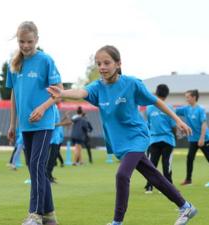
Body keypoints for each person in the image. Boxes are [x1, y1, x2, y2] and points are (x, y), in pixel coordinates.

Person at [47, 45, 197, 225]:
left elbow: (156, 101)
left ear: (118, 64)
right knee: (153, 175)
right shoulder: (97, 87)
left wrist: (178, 120)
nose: (102, 67)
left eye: (107, 63)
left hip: (137, 137)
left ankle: (117, 222)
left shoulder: (132, 84)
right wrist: (62, 93)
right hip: (120, 142)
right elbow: (80, 92)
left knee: (122, 175)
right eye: (99, 63)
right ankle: (185, 206)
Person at [6, 21, 62, 225]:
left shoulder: (46, 60)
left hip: (45, 123)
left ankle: (35, 214)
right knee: (33, 166)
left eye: (29, 41)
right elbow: (14, 94)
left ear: (37, 40)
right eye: (22, 41)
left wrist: (42, 107)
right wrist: (13, 124)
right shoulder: (13, 63)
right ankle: (50, 215)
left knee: (37, 164)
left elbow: (59, 92)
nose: (26, 45)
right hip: (25, 126)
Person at [176, 90, 209, 187]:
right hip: (193, 139)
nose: (186, 99)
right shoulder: (186, 109)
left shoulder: (200, 109)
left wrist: (202, 138)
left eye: (188, 97)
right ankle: (188, 180)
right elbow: (173, 111)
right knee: (190, 158)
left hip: (204, 139)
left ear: (194, 97)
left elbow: (204, 124)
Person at [144, 84, 177, 194]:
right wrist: (175, 135)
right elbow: (174, 126)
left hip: (154, 140)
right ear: (167, 95)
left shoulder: (149, 108)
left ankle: (149, 186)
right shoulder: (170, 108)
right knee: (166, 165)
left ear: (156, 93)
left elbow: (147, 125)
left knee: (151, 165)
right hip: (167, 140)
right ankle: (168, 188)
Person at [46, 105, 65, 183]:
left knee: (53, 159)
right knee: (50, 159)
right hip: (52, 139)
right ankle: (47, 177)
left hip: (56, 139)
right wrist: (63, 124)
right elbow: (51, 124)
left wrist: (64, 120)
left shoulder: (55, 107)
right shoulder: (51, 108)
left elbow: (57, 122)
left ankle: (49, 176)